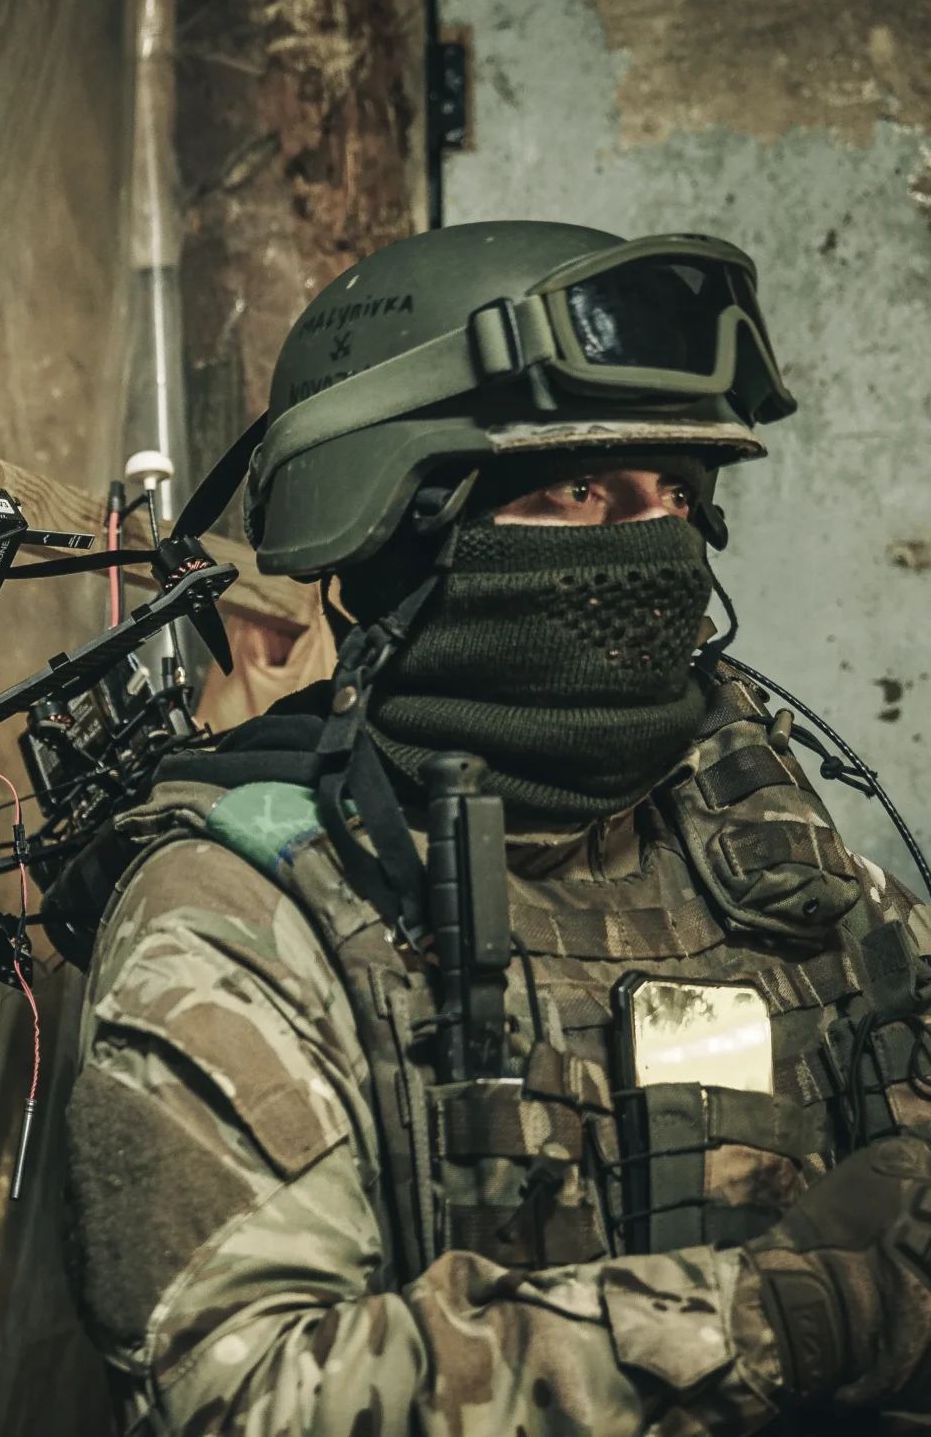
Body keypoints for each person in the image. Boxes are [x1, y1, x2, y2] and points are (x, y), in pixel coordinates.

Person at [62, 221, 931, 1433]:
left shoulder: (754, 827)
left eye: (675, 491)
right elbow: (244, 1393)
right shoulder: (248, 901)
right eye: (578, 488)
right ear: (399, 517)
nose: (652, 540)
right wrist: (767, 1324)